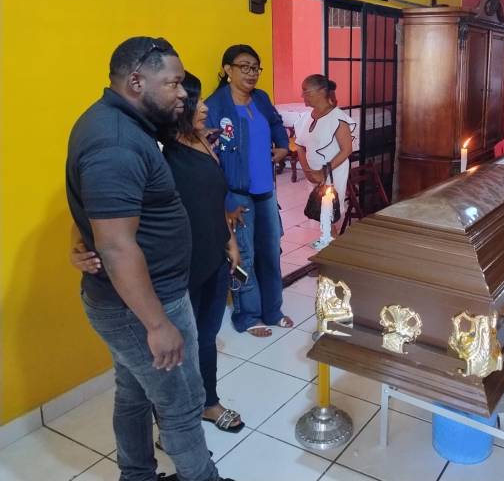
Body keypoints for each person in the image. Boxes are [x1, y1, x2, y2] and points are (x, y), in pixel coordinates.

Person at [66, 37, 232, 481]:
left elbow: (95, 206)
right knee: (180, 403)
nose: (183, 94)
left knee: (134, 392)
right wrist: (158, 324)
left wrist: (78, 241)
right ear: (136, 81)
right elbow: (118, 245)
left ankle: (136, 475)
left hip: (139, 299)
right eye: (174, 84)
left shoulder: (124, 125)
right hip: (140, 306)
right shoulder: (116, 140)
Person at [205, 44, 293, 336]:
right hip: (237, 194)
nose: (252, 73)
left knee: (270, 252)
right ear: (228, 70)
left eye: (255, 67)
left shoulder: (261, 99)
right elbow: (209, 158)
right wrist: (227, 201)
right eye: (244, 66)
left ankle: (273, 309)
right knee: (244, 255)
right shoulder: (214, 107)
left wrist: (282, 146)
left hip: (266, 191)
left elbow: (277, 123)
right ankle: (248, 315)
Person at [294, 74, 355, 216]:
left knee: (329, 213)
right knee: (318, 211)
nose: (302, 95)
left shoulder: (337, 117)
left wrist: (323, 172)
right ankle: (329, 237)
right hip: (313, 174)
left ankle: (331, 237)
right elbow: (300, 146)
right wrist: (308, 171)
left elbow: (347, 150)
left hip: (332, 172)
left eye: (306, 91)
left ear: (321, 91)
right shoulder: (307, 117)